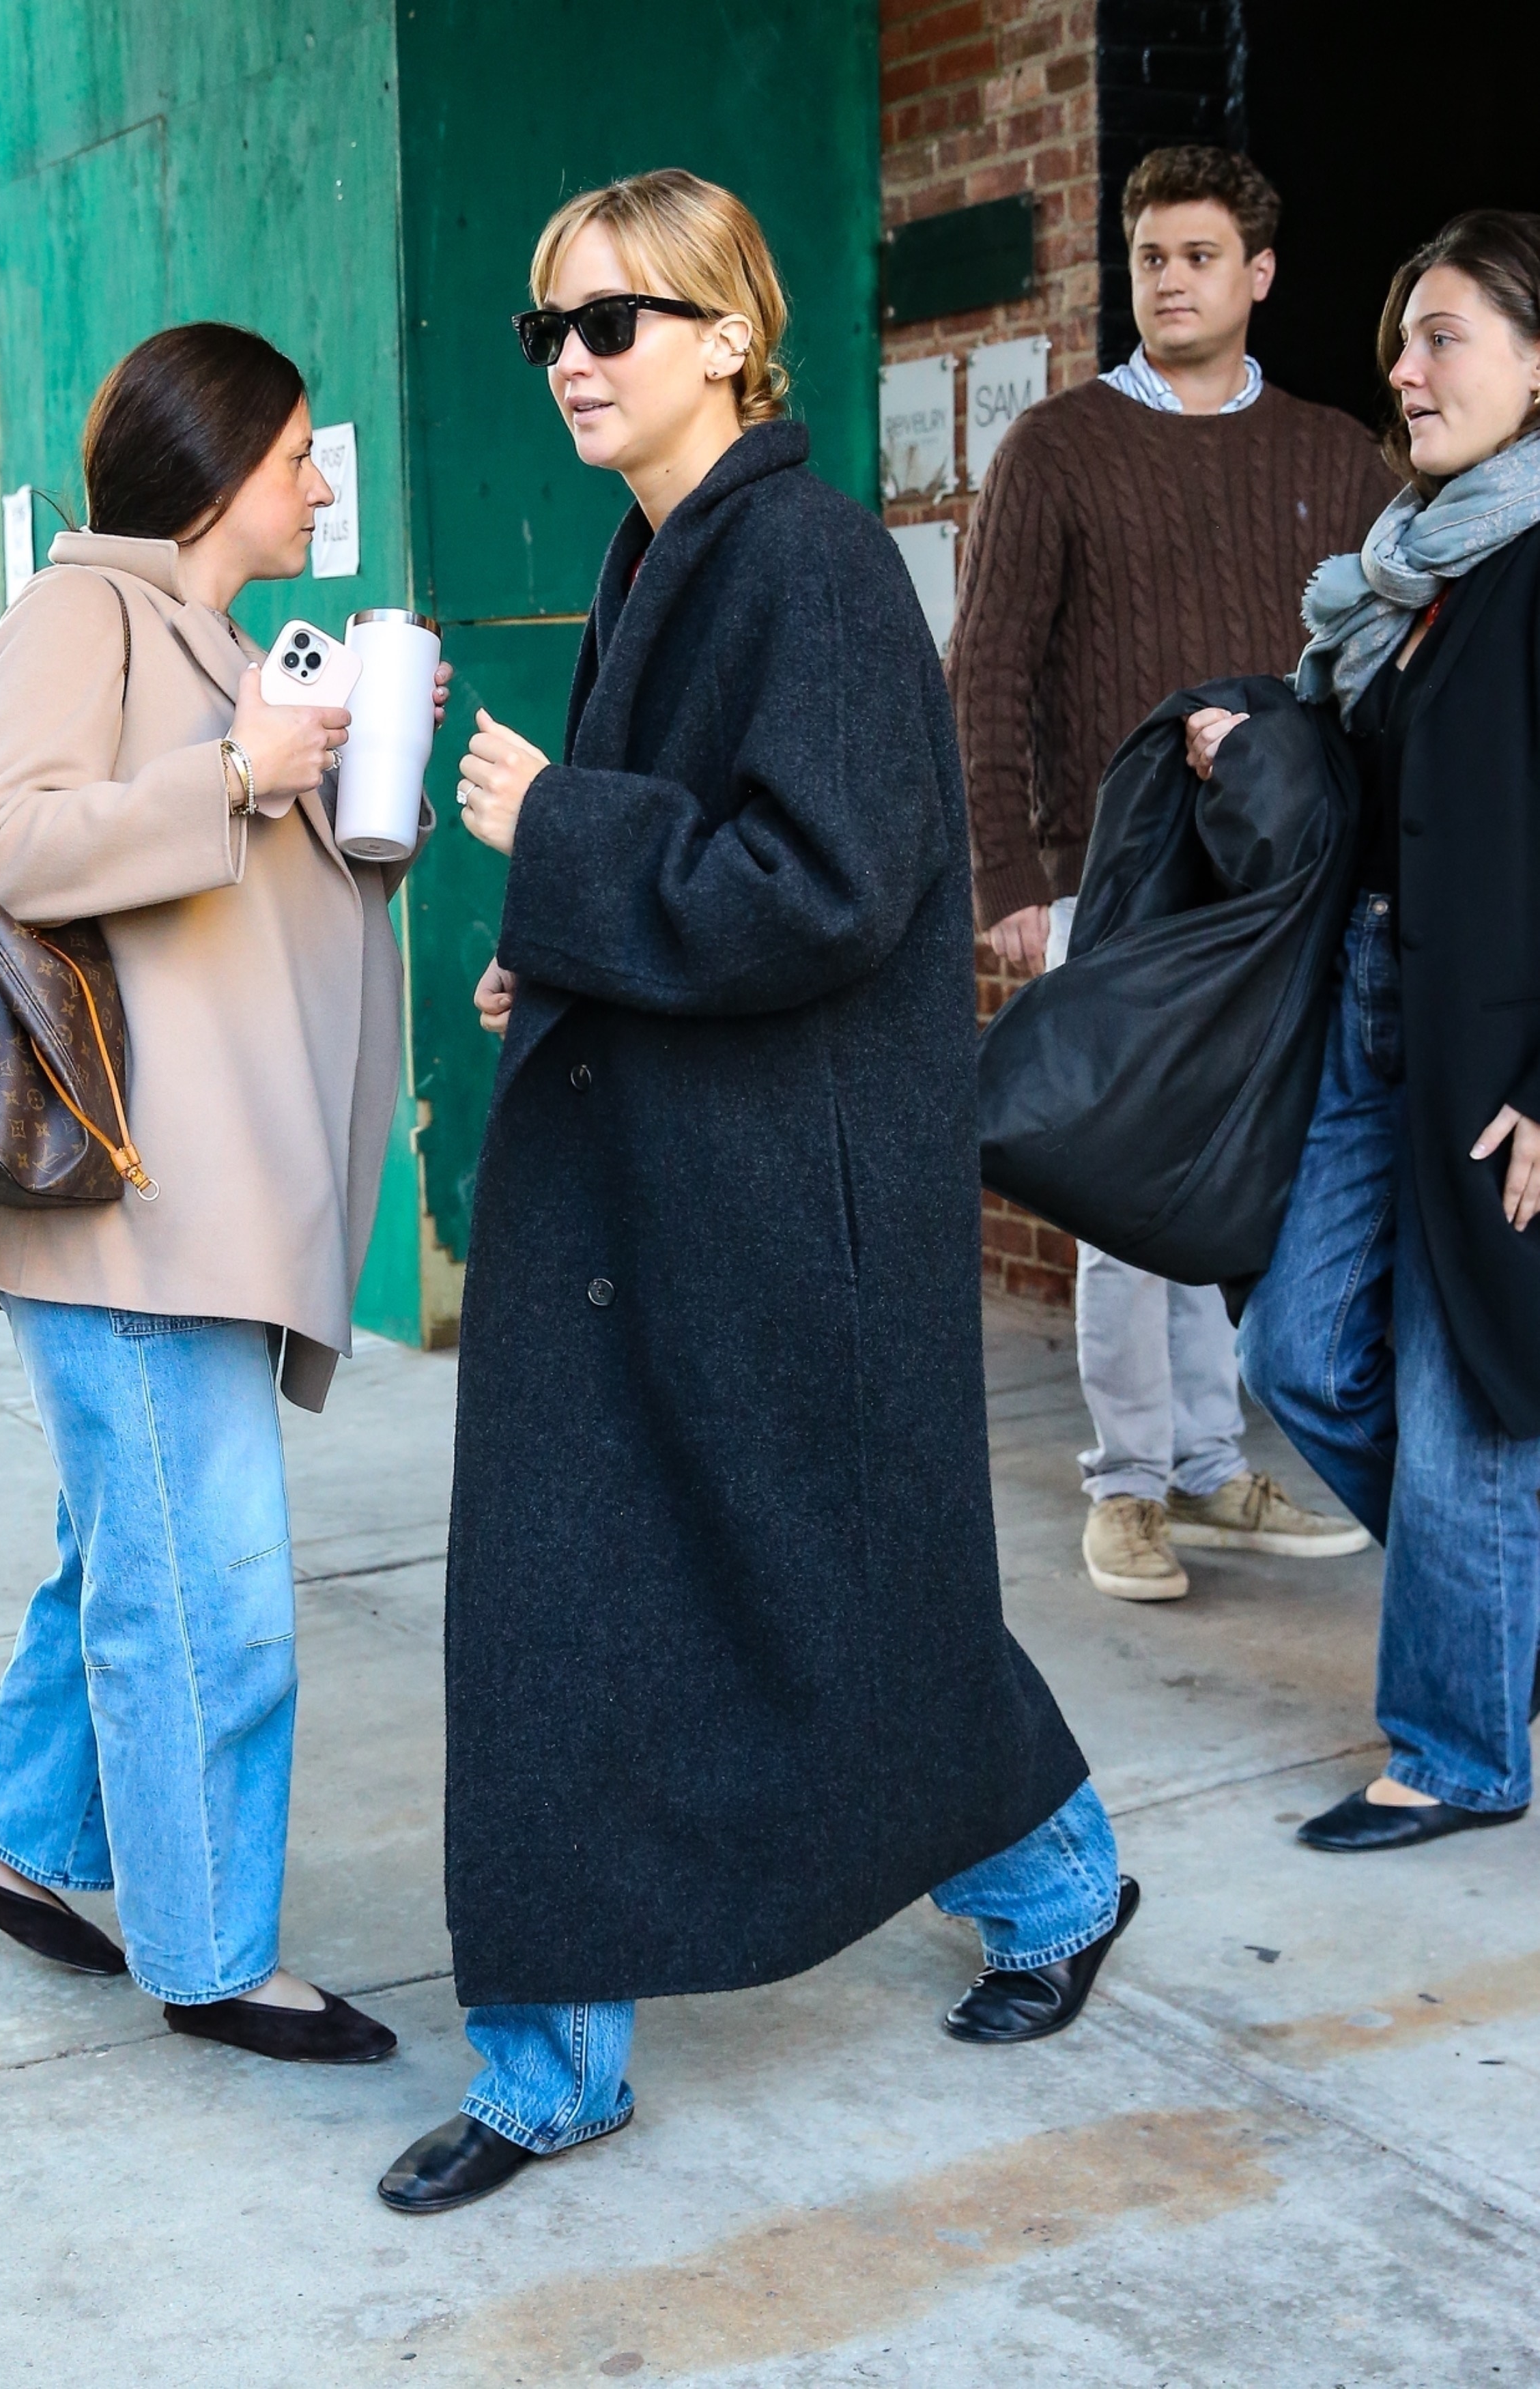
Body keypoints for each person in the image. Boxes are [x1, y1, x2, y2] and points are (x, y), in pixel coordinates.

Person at [375, 169, 1136, 2220]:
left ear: (728, 332)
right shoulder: (663, 556)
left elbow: (819, 885)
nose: (566, 364)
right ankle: (551, 2072)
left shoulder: (803, 562)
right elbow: (721, 880)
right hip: (654, 1194)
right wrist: (565, 934)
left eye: (607, 321)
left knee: (836, 1603)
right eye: (544, 330)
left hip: (770, 1210)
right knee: (567, 1623)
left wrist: (560, 831)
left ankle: (1054, 1879)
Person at [0, 323, 445, 2059]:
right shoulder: (82, 614)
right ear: (218, 469)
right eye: (298, 451)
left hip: (201, 1200)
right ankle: (211, 1956)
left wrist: (360, 799)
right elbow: (19, 842)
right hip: (126, 1201)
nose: (315, 479)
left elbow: (251, 892)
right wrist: (232, 774)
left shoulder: (215, 636)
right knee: (204, 1586)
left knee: (122, 1555)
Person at [950, 145, 1388, 1603]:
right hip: (1116, 878)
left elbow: (1391, 658)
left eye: (1199, 256)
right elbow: (987, 669)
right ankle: (1126, 1485)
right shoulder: (1059, 448)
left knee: (1238, 1172)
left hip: (1275, 892)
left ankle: (1208, 1468)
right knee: (1121, 1188)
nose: (1170, 281)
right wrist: (1004, 872)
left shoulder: (1334, 455)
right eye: (1148, 257)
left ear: (1256, 275)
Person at [1193, 212, 1540, 1852]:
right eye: (1398, 336)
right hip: (1370, 1009)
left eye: (1446, 334)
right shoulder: (1409, 570)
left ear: (1539, 368)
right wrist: (1257, 732)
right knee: (1295, 1346)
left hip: (1498, 1035)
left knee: (1460, 1379)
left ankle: (1458, 1743)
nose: (1402, 367)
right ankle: (1501, 1621)